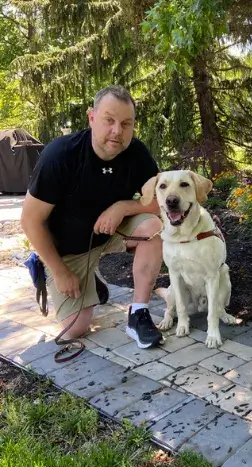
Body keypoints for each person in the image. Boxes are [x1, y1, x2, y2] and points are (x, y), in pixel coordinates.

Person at [21, 85, 164, 349]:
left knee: (153, 227)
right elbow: (30, 221)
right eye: (109, 120)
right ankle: (56, 269)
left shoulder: (137, 154)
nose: (117, 131)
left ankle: (138, 314)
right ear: (92, 118)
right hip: (68, 250)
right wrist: (60, 271)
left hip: (111, 233)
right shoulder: (60, 156)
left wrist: (121, 207)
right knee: (75, 329)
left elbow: (158, 202)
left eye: (126, 123)